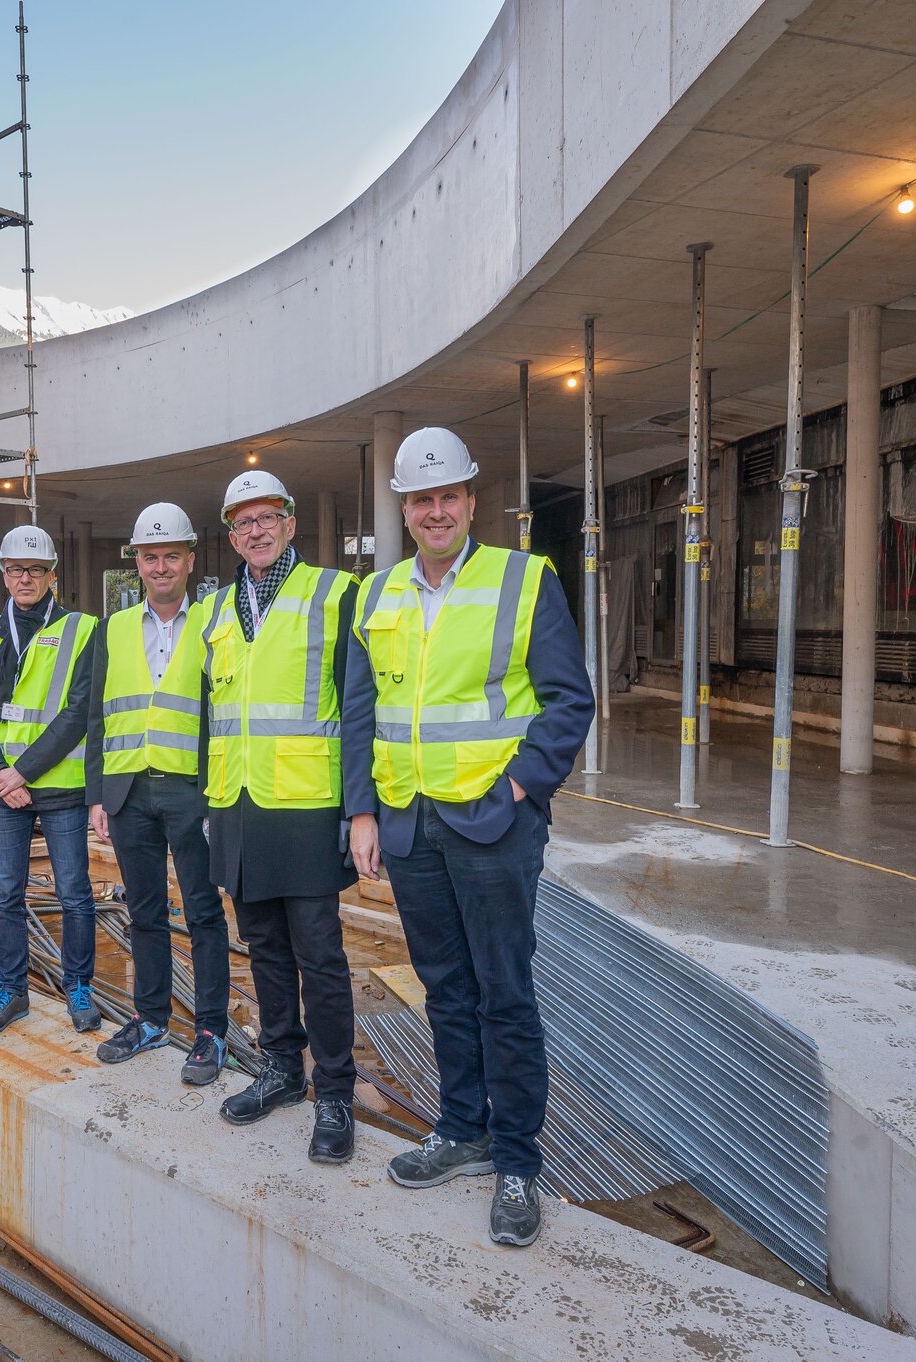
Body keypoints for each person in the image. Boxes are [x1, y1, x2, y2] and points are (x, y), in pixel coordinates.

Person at [346, 427, 594, 1248]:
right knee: (444, 989)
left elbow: (568, 701)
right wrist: (363, 812)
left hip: (493, 824)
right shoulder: (375, 596)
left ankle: (518, 1157)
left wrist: (520, 786)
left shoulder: (524, 581)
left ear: (471, 500)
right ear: (405, 509)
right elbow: (360, 713)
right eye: (422, 499)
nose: (437, 510)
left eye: (449, 495)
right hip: (411, 822)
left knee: (505, 993)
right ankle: (463, 1128)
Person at [202, 469, 368, 1165]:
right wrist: (211, 805)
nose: (256, 530)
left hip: (305, 804)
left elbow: (359, 710)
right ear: (232, 535)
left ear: (292, 523)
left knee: (320, 959)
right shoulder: (218, 609)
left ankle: (333, 1091)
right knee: (263, 948)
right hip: (237, 803)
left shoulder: (335, 594)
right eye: (242, 522)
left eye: (267, 517)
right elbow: (216, 713)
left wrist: (356, 809)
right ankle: (280, 1069)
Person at [85, 504, 229, 1085]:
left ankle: (211, 1031)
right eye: (151, 557)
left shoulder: (215, 627)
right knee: (143, 913)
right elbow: (97, 715)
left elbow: (221, 713)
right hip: (129, 794)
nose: (161, 566)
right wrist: (98, 793)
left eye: (172, 555)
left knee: (202, 912)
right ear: (136, 564)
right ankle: (150, 1019)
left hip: (192, 792)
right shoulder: (114, 629)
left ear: (190, 561)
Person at [0, 525, 102, 1036]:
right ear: (3, 575)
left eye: (36, 570)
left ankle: (79, 988)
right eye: (17, 569)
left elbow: (78, 713)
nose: (26, 578)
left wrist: (19, 773)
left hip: (60, 787)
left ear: (52, 576)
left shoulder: (84, 630)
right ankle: (12, 990)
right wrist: (0, 775)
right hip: (4, 790)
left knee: (74, 892)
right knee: (6, 894)